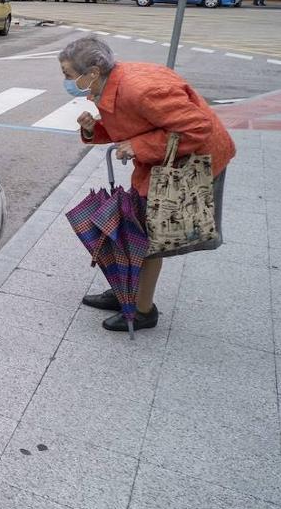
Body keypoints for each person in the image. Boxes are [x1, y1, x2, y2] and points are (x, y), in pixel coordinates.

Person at [61, 37, 236, 332]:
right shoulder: (109, 82)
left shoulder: (139, 89)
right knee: (134, 230)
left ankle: (142, 310)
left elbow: (197, 127)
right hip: (162, 159)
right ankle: (125, 292)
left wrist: (138, 146)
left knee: (148, 239)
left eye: (68, 74)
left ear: (92, 71)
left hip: (191, 161)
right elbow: (134, 124)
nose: (65, 81)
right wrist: (94, 129)